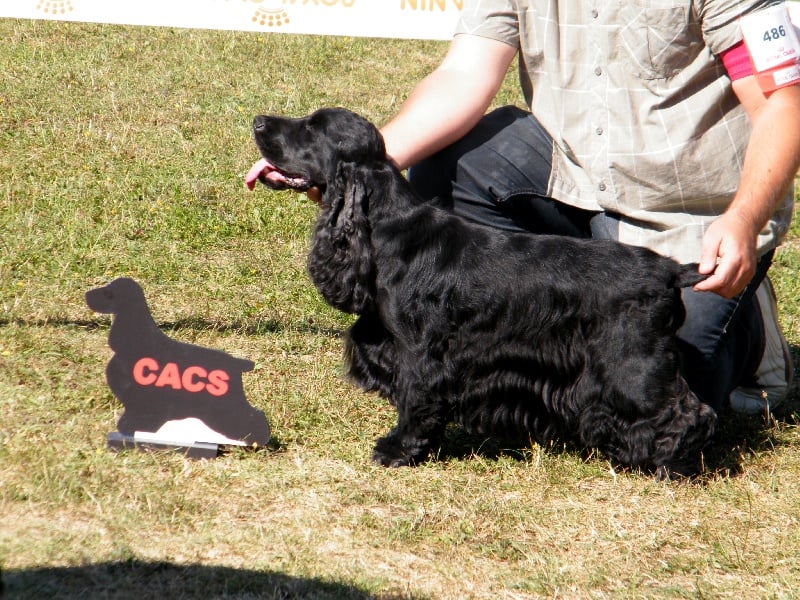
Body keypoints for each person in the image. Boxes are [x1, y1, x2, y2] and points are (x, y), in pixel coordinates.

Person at [252, 0, 798, 414]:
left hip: (691, 216)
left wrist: (744, 219)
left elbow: (783, 103)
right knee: (450, 165)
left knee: (661, 392)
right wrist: (355, 171)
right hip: (572, 178)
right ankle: (532, 324)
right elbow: (463, 76)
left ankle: (751, 334)